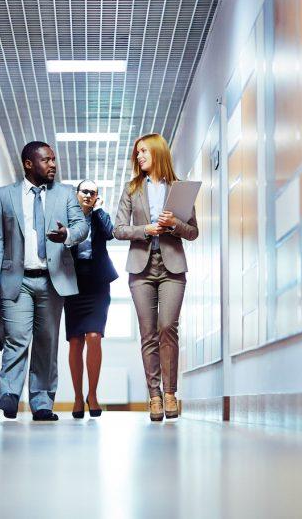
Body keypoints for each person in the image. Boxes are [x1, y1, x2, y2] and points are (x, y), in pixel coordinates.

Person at [0, 141, 89, 421]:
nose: (53, 165)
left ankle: (42, 402)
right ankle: (9, 393)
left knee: (46, 343)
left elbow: (81, 227)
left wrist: (67, 234)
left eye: (54, 159)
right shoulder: (5, 196)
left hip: (52, 280)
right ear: (29, 164)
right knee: (16, 339)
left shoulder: (66, 194)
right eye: (46, 160)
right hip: (16, 280)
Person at [114, 133, 198, 422]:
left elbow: (193, 232)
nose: (139, 157)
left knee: (167, 328)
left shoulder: (179, 188)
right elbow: (119, 229)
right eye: (137, 153)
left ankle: (171, 392)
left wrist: (173, 224)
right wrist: (146, 229)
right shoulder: (132, 188)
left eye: (144, 152)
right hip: (141, 268)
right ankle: (154, 396)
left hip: (172, 266)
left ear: (158, 153)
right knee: (148, 333)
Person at [64, 179, 119, 419]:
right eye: (84, 191)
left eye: (93, 193)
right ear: (76, 194)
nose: (88, 195)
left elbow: (110, 233)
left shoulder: (99, 216)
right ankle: (77, 397)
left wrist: (98, 209)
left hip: (97, 284)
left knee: (94, 337)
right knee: (76, 341)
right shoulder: (68, 217)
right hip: (73, 283)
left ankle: (93, 395)